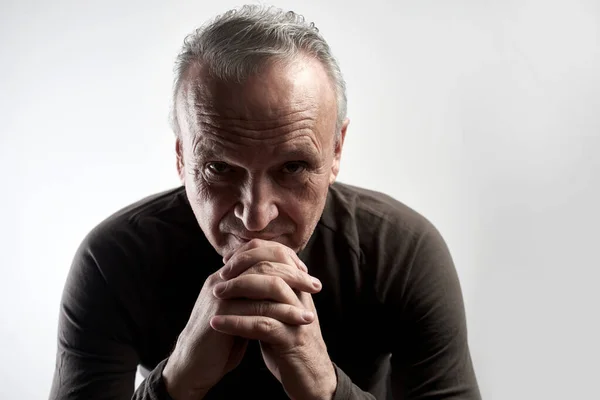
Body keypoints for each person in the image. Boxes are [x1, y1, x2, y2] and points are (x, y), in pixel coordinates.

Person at [49, 5, 481, 400]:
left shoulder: (401, 253)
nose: (255, 217)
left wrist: (325, 389)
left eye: (292, 167)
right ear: (182, 157)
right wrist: (176, 380)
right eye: (219, 169)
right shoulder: (112, 260)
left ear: (336, 150)